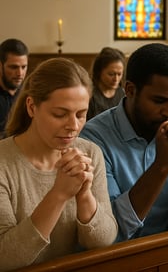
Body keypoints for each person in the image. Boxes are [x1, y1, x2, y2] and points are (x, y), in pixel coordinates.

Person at [80, 43, 168, 241]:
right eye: (160, 101)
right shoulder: (93, 140)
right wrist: (162, 166)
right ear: (130, 90)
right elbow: (111, 230)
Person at [0, 58, 118, 270]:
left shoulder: (90, 153)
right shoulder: (4, 163)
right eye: (60, 114)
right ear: (31, 107)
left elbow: (103, 240)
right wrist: (59, 194)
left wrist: (84, 194)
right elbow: (5, 257)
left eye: (81, 115)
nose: (73, 126)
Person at [87, 47, 126, 120]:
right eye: (111, 74)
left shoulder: (122, 94)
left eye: (119, 74)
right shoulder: (90, 95)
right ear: (99, 72)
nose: (116, 79)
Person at [0, 38, 29, 139]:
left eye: (23, 67)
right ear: (0, 66)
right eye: (13, 67)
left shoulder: (29, 93)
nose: (20, 73)